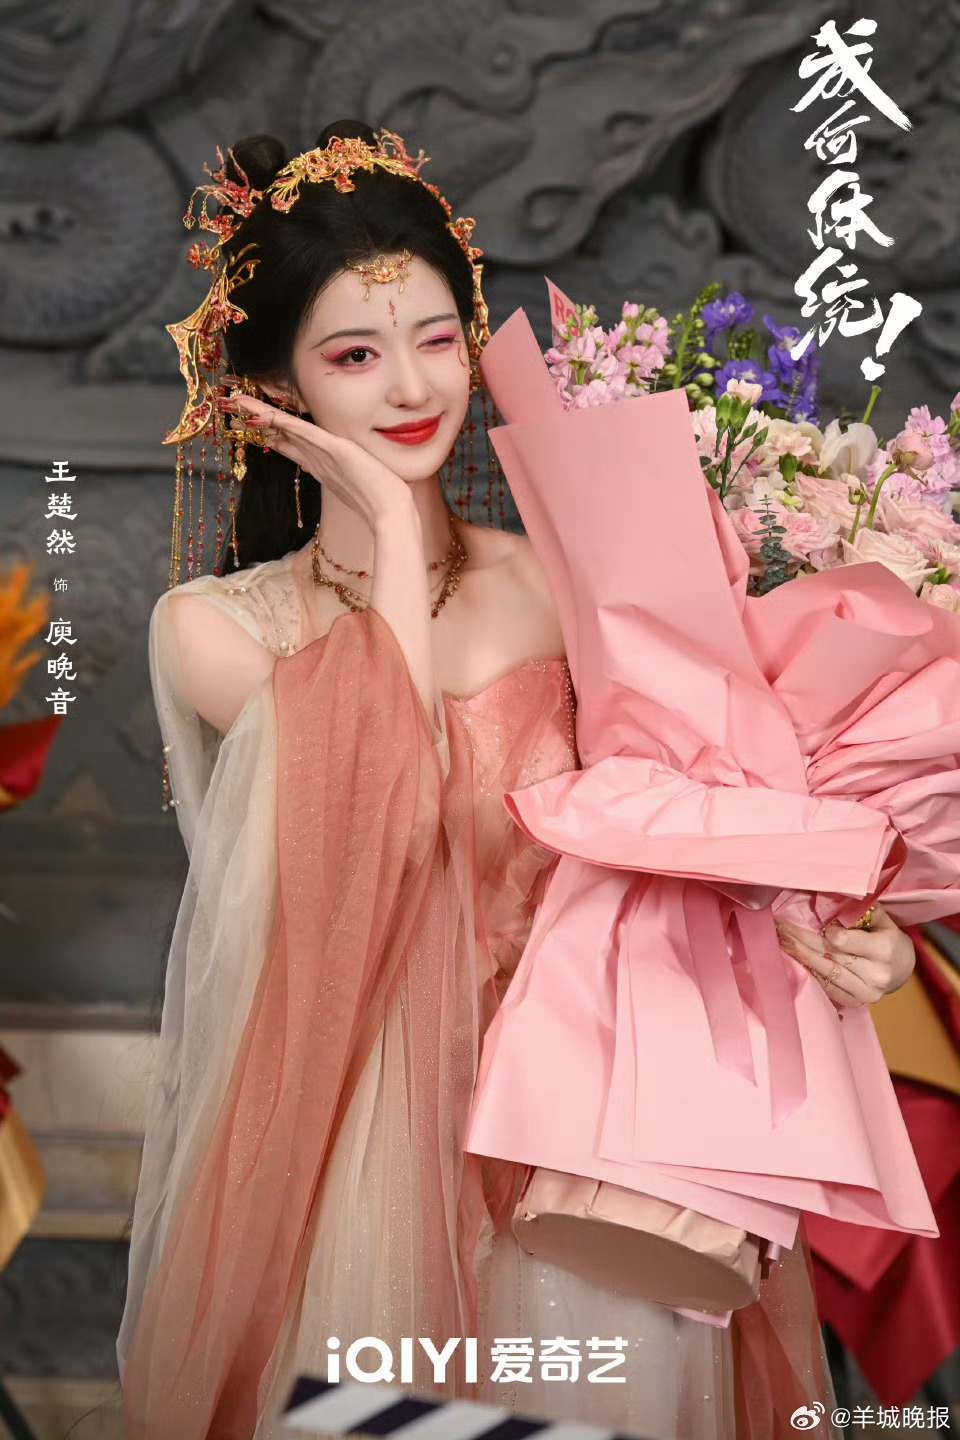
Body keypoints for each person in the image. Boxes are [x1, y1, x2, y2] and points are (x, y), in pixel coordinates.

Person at [116, 119, 913, 1440]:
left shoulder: (564, 581)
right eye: (354, 355)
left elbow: (690, 822)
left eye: (437, 339)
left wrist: (836, 922)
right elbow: (373, 825)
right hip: (370, 1135)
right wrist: (387, 521)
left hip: (590, 1121)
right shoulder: (216, 628)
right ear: (271, 387)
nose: (411, 385)